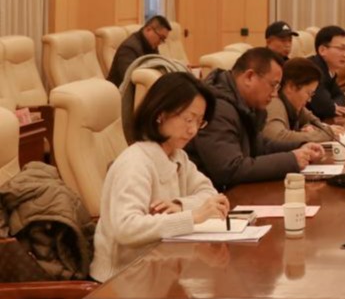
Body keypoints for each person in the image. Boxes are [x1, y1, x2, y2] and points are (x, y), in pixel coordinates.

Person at [92, 72, 228, 281]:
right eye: (188, 119)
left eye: (199, 122)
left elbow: (209, 194)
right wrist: (192, 216)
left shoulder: (177, 155)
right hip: (122, 280)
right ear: (160, 114)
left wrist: (180, 206)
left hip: (161, 269)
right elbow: (126, 228)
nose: (193, 130)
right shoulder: (135, 162)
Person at [187, 48, 325, 189]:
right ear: (249, 77)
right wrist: (292, 160)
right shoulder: (217, 108)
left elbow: (260, 146)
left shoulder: (244, 103)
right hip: (212, 195)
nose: (275, 94)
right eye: (273, 85)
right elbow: (229, 169)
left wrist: (300, 147)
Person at [265, 58, 345, 143]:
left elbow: (312, 120)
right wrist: (324, 134)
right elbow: (277, 137)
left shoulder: (293, 105)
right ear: (291, 87)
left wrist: (310, 128)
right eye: (308, 93)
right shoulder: (275, 104)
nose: (309, 100)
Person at [107, 15, 172, 86]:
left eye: (163, 40)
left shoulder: (151, 45)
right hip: (120, 91)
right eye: (161, 38)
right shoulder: (129, 48)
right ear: (149, 29)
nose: (161, 42)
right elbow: (130, 79)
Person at [307, 26, 345, 119]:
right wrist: (333, 107)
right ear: (322, 50)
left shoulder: (329, 70)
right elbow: (324, 107)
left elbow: (340, 95)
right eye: (341, 48)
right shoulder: (312, 70)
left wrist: (334, 106)